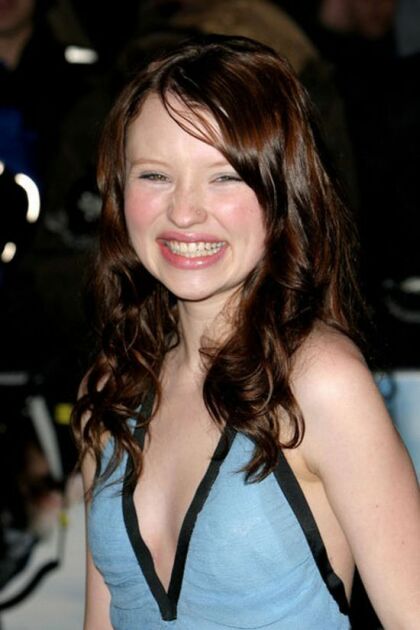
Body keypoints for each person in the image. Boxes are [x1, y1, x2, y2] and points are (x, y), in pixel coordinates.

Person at [72, 35, 420, 629]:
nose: (184, 212)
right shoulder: (109, 392)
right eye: (155, 175)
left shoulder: (320, 383)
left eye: (225, 177)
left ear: (283, 192)